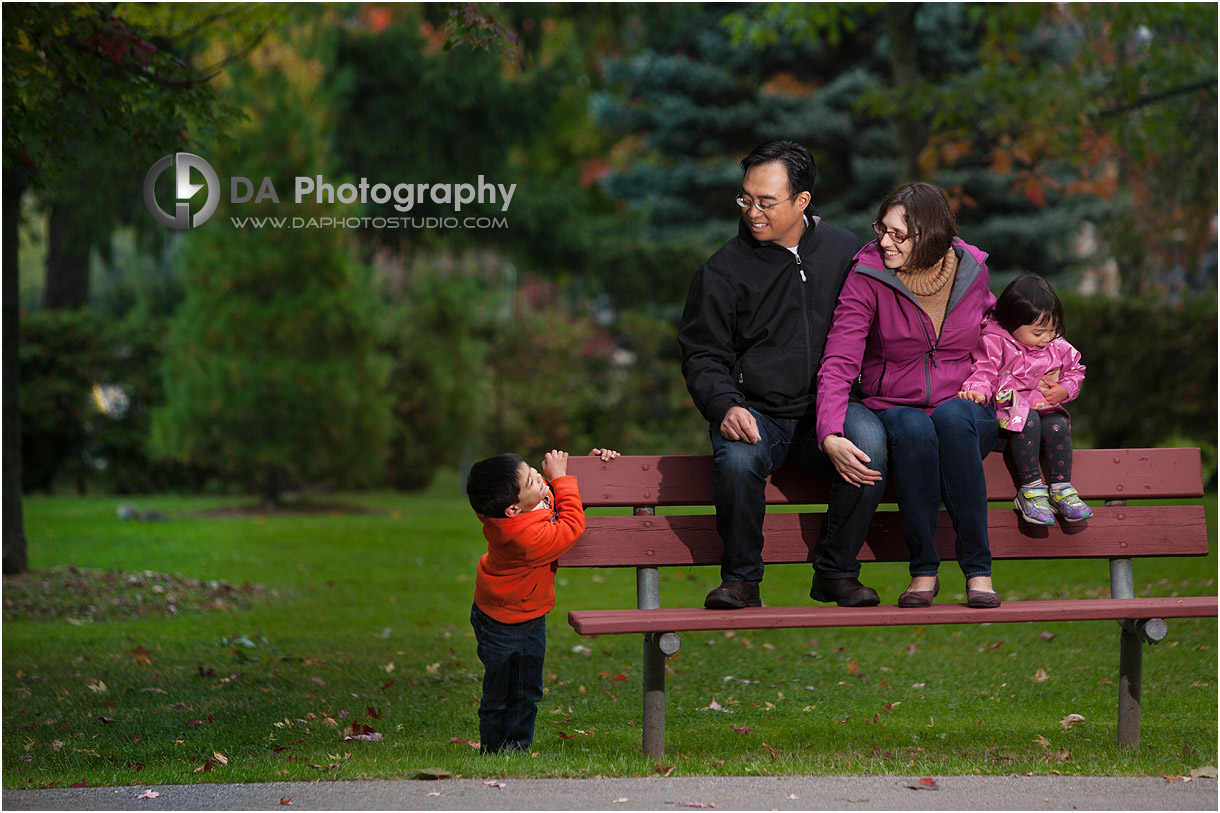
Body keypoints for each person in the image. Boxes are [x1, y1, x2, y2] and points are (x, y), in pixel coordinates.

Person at [678, 140, 861, 610]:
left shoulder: (847, 251)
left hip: (832, 407)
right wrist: (725, 405)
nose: (752, 212)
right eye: (746, 198)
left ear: (802, 201)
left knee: (874, 444)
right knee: (738, 462)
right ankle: (741, 580)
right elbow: (702, 354)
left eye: (765, 202)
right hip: (760, 413)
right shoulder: (721, 271)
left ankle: (836, 574)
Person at [814, 181, 1003, 609]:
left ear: (931, 235)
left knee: (952, 419)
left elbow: (992, 329)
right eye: (882, 228)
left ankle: (979, 571)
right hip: (894, 407)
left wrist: (994, 378)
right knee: (916, 428)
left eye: (899, 234)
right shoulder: (867, 275)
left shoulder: (972, 268)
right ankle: (924, 571)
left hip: (965, 405)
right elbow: (840, 358)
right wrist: (829, 430)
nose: (884, 241)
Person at [467, 446, 620, 753]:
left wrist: (593, 466)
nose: (540, 478)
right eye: (533, 481)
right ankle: (494, 748)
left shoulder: (521, 506)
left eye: (533, 472)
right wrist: (561, 477)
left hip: (530, 615)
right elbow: (571, 526)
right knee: (499, 693)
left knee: (526, 690)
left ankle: (517, 747)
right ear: (513, 509)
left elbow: (559, 498)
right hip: (500, 621)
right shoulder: (524, 539)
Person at [959, 274, 1092, 525]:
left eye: (1053, 330)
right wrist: (976, 391)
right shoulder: (995, 341)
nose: (1046, 337)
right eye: (1039, 332)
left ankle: (1061, 488)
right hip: (1010, 415)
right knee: (1027, 420)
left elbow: (1075, 369)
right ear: (1012, 323)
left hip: (1044, 408)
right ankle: (1030, 489)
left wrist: (1065, 389)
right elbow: (984, 371)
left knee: (1058, 425)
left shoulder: (1055, 344)